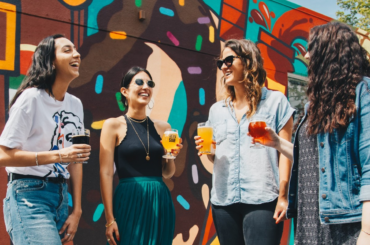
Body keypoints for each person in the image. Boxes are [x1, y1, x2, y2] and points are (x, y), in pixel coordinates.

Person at [250, 22, 370, 244]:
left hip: (343, 223)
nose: (306, 55)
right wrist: (276, 142)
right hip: (309, 216)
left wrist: (367, 232)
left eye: (311, 48)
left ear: (329, 52)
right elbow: (312, 161)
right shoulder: (313, 106)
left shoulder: (362, 93)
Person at [194, 39, 295, 245]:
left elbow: (286, 154)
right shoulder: (216, 110)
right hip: (223, 201)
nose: (224, 66)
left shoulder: (276, 102)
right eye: (220, 63)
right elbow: (217, 158)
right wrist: (209, 151)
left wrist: (283, 196)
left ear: (249, 62)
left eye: (229, 60)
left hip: (263, 200)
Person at [0, 34, 91, 245]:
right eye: (67, 50)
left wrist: (76, 210)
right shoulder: (31, 98)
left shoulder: (75, 104)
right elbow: (3, 155)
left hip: (61, 196)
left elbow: (76, 161)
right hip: (28, 195)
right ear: (50, 61)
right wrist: (59, 155)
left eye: (75, 49)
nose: (76, 53)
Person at [99, 66, 182, 245]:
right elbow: (105, 173)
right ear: (125, 91)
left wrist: (170, 156)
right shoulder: (112, 125)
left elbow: (167, 173)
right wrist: (110, 219)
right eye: (139, 82)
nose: (146, 86)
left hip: (159, 200)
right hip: (129, 199)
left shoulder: (165, 128)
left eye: (149, 83)